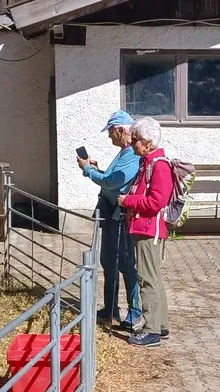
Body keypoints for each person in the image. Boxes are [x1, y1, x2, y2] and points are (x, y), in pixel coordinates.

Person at [78, 111, 142, 329]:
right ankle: (110, 308)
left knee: (125, 263)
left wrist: (88, 170)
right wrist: (98, 171)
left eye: (111, 132)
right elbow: (111, 179)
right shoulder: (124, 152)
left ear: (121, 130)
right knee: (109, 260)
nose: (109, 136)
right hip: (111, 212)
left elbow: (113, 182)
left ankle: (134, 312)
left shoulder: (131, 154)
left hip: (120, 215)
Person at [118, 117, 172, 348]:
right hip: (144, 227)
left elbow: (156, 202)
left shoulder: (158, 165)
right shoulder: (147, 163)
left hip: (149, 230)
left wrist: (128, 201)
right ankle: (160, 324)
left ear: (148, 142)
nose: (133, 143)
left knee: (147, 279)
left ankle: (151, 330)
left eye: (136, 140)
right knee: (153, 278)